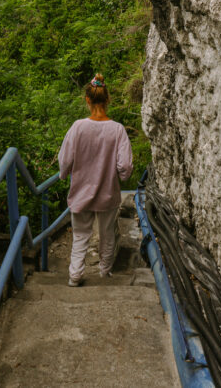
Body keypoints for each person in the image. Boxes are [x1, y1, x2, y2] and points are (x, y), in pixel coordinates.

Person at [58, 73, 133, 287]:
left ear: (87, 100)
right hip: (107, 193)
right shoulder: (117, 130)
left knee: (81, 235)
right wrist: (121, 178)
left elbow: (65, 159)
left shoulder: (78, 127)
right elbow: (125, 165)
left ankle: (75, 275)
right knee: (107, 234)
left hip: (81, 192)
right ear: (108, 99)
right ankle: (104, 273)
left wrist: (64, 175)